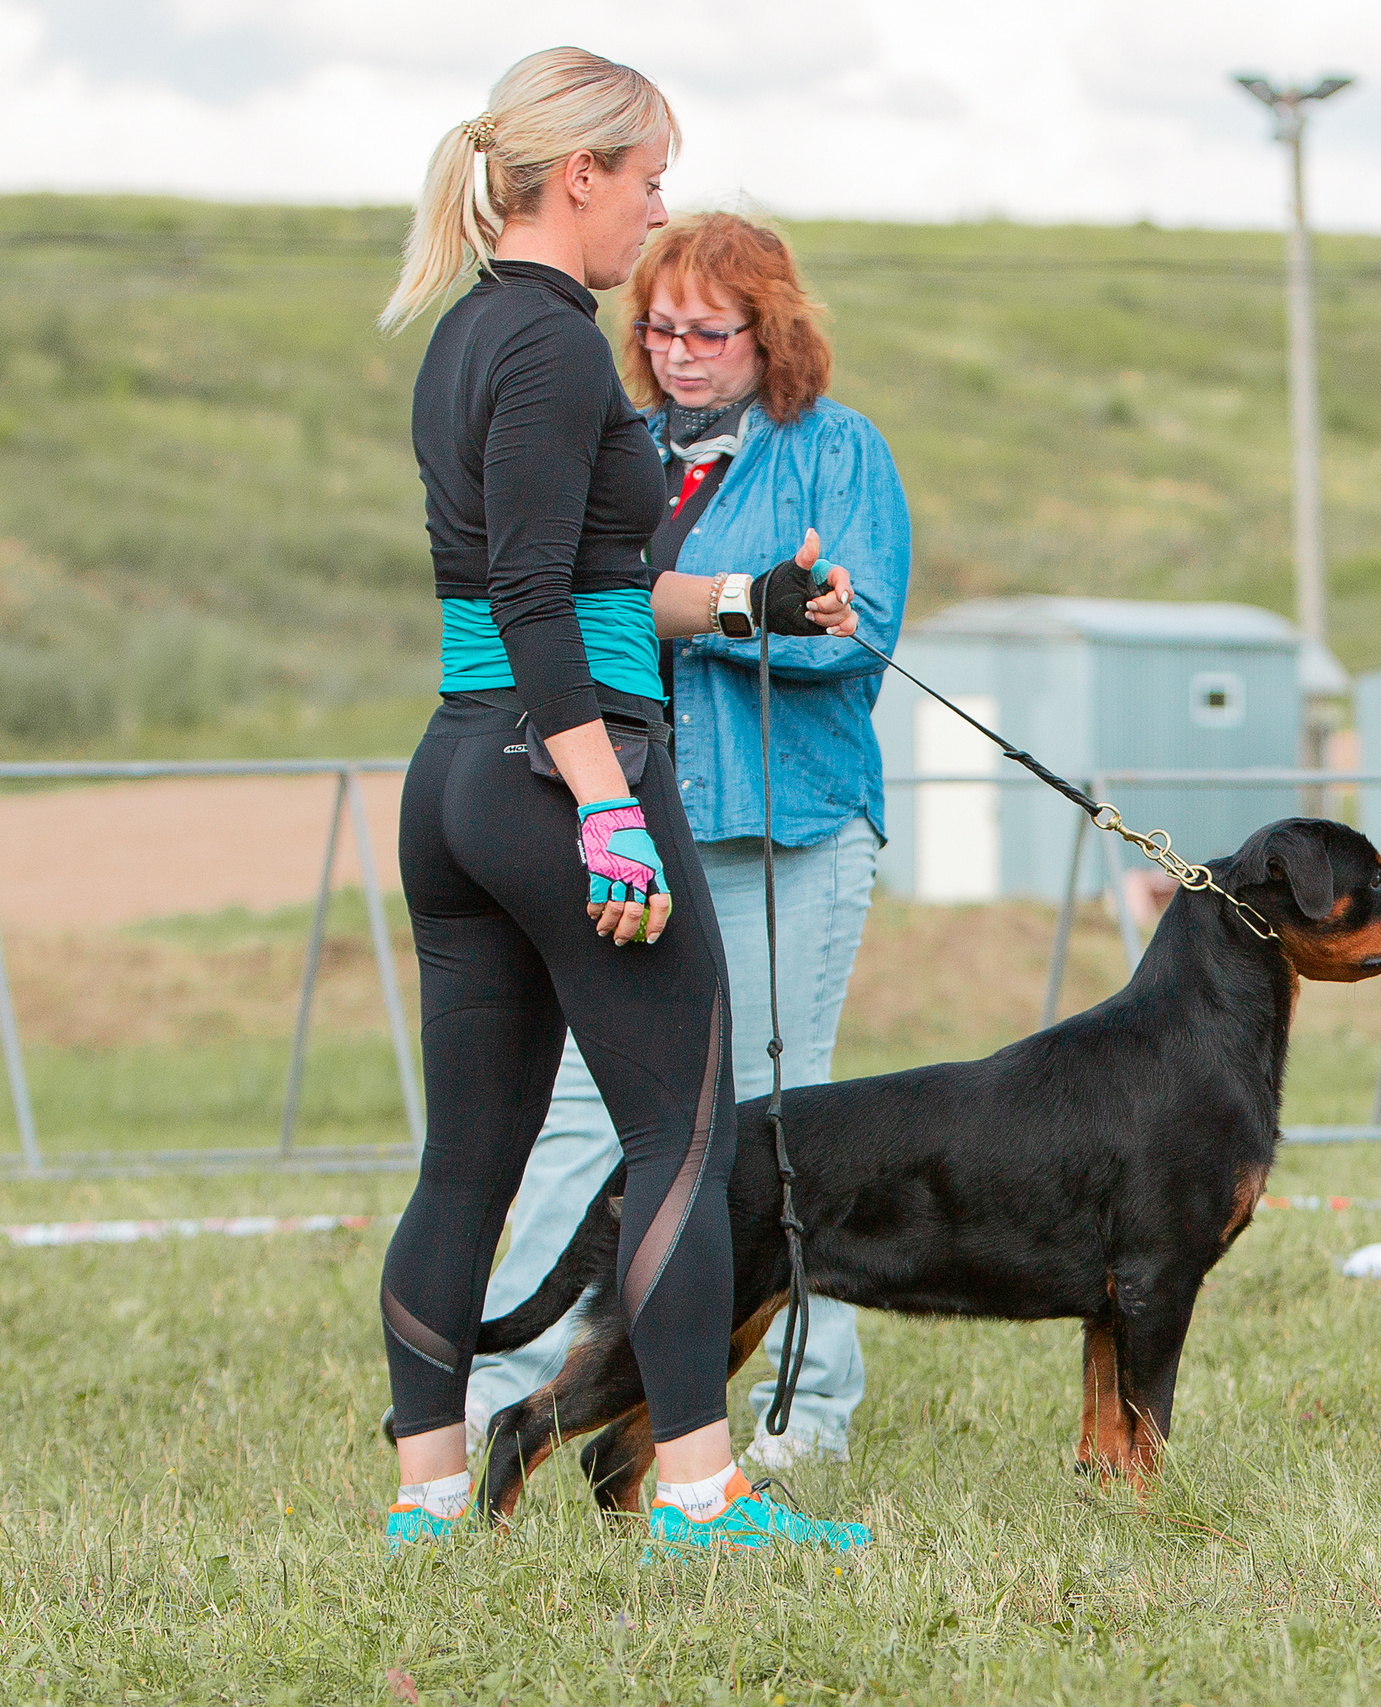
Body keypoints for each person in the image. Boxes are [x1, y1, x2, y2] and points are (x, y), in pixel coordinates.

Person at [374, 49, 868, 1553]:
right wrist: (604, 804)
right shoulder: (555, 346)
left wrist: (747, 598)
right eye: (649, 178)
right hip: (558, 768)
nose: (657, 208)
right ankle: (702, 1495)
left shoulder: (469, 333)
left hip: (461, 770)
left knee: (469, 1158)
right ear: (577, 175)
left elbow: (584, 582)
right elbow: (532, 596)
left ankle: (429, 1502)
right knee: (683, 1139)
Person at [464, 213, 910, 1469]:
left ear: (771, 334)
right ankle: (504, 1392)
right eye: (658, 330)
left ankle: (807, 1409)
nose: (676, 354)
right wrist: (722, 604)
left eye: (708, 333)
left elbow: (855, 632)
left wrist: (708, 612)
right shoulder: (620, 446)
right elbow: (556, 608)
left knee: (780, 1125)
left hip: (792, 829)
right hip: (633, 824)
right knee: (580, 1113)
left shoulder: (838, 449)